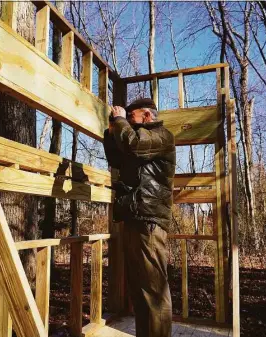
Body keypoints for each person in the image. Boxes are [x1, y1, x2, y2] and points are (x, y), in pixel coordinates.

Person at [103, 98, 176, 337]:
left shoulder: (161, 135)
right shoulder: (140, 142)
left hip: (149, 220)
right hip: (136, 218)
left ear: (147, 116)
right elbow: (117, 158)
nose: (130, 122)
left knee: (154, 291)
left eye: (132, 117)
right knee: (139, 290)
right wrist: (112, 130)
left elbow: (133, 145)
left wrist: (122, 120)